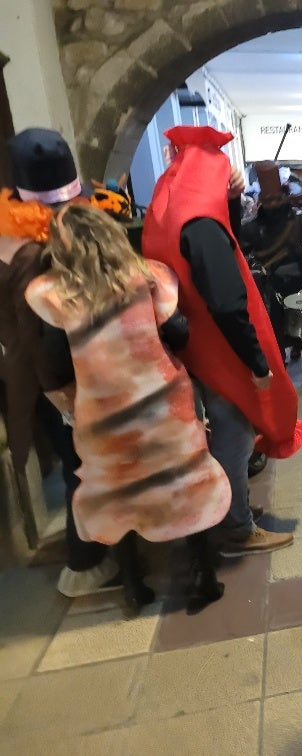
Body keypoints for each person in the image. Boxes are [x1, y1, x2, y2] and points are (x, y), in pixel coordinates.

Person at [26, 204, 231, 612]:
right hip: (163, 406)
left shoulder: (53, 294)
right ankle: (203, 578)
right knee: (185, 483)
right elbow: (179, 331)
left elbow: (51, 365)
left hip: (103, 416)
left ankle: (134, 587)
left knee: (119, 493)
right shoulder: (147, 277)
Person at [142, 125, 302, 557]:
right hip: (217, 347)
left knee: (223, 434)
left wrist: (230, 201)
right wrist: (257, 363)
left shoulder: (171, 206)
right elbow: (228, 302)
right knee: (232, 435)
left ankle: (224, 518)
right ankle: (236, 530)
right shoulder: (199, 225)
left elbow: (223, 240)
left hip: (190, 342)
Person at [0, 128, 117, 597]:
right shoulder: (27, 252)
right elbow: (33, 332)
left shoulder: (13, 235)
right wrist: (60, 394)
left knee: (81, 464)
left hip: (47, 371)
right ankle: (84, 564)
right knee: (79, 467)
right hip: (48, 378)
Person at [240, 162, 302, 385]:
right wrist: (254, 267)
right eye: (268, 201)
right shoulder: (251, 227)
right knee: (276, 335)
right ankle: (280, 372)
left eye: (277, 200)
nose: (273, 206)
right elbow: (241, 253)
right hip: (272, 286)